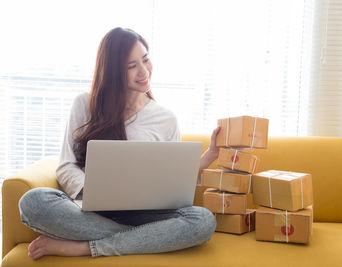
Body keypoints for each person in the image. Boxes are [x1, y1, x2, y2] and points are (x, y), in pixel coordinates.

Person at [18, 27, 220, 260]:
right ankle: (148, 239)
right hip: (90, 210)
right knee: (33, 202)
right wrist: (94, 190)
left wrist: (205, 160)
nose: (144, 71)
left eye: (145, 60)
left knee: (202, 220)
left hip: (144, 214)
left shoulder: (165, 118)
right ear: (113, 71)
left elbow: (173, 186)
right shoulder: (85, 104)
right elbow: (66, 165)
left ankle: (87, 247)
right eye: (131, 66)